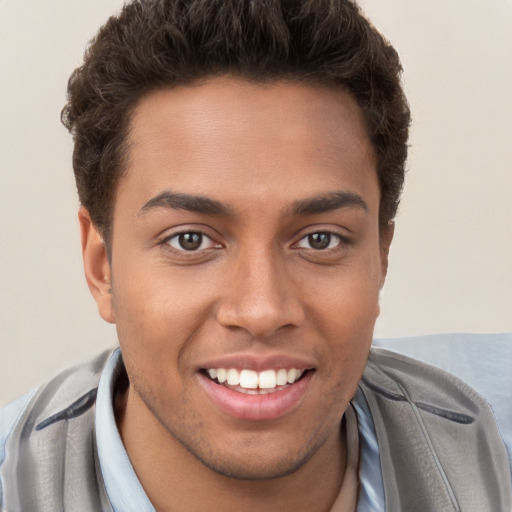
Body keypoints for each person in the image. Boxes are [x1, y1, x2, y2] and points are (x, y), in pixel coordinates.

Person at [0, 1, 510, 511]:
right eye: (190, 240)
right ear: (101, 266)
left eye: (320, 240)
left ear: (381, 256)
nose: (262, 310)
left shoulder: (495, 451)